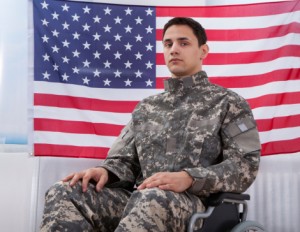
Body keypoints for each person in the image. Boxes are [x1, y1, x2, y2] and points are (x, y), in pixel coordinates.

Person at [40, 17, 261, 232]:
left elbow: (245, 165)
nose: (174, 49)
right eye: (168, 44)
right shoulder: (146, 109)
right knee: (65, 191)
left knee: (153, 197)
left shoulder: (228, 103)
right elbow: (123, 162)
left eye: (183, 43)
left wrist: (190, 177)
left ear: (203, 51)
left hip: (195, 206)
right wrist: (104, 171)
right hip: (138, 200)